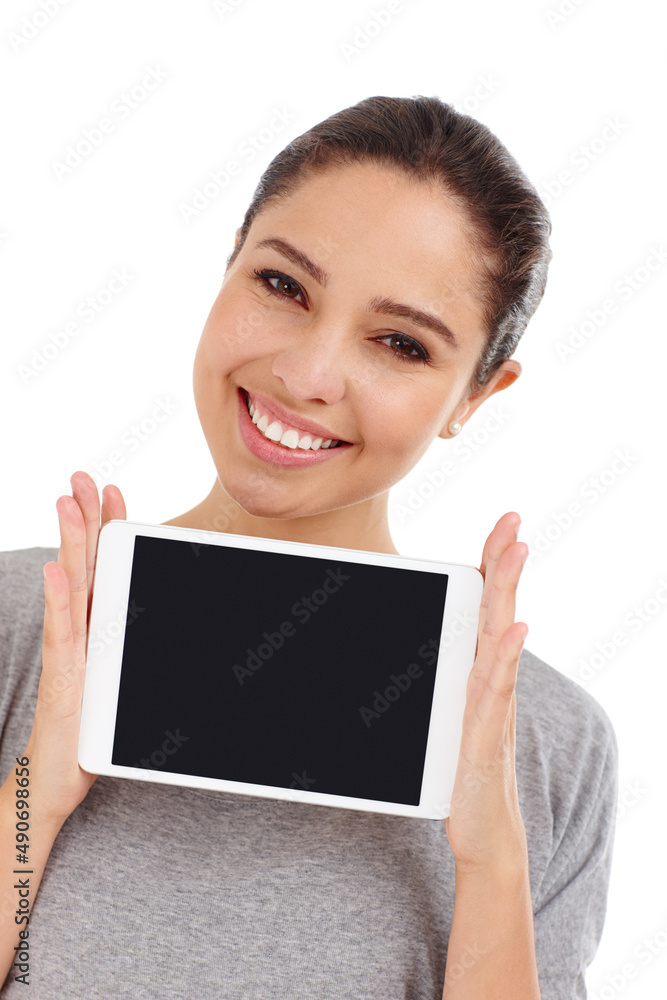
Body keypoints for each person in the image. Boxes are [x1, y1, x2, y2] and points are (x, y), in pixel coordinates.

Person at [0, 95, 618, 998]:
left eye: (399, 343)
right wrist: (34, 794)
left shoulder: (552, 744)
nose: (306, 375)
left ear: (476, 397)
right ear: (229, 264)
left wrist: (490, 868)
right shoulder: (21, 628)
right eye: (283, 286)